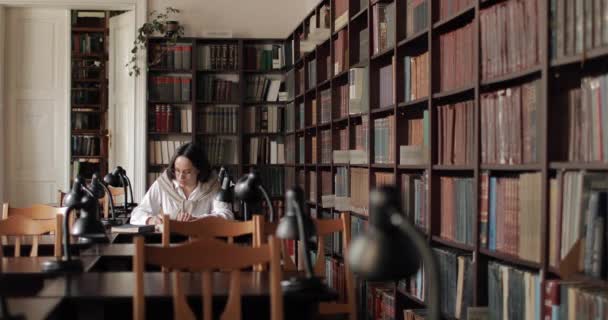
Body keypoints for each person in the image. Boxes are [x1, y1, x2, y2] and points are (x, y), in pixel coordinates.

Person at [130, 142, 234, 225]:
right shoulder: (163, 184)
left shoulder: (212, 185)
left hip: (203, 244)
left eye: (187, 172)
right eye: (177, 170)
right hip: (170, 245)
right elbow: (137, 214)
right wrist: (150, 220)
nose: (180, 177)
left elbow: (227, 215)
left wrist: (197, 220)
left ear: (199, 170)